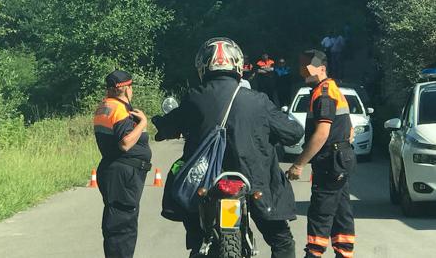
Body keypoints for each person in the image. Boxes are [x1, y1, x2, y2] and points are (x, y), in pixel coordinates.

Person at [153, 38, 304, 258]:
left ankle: (197, 243)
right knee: (281, 241)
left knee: (196, 234)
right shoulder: (258, 100)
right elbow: (294, 133)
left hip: (206, 182)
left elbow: (167, 127)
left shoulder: (194, 97)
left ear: (203, 66)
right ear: (238, 65)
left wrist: (163, 126)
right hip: (255, 181)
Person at [286, 50, 356, 258]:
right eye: (301, 67)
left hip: (331, 162)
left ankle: (314, 254)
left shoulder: (323, 94)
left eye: (307, 67)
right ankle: (344, 252)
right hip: (341, 159)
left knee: (321, 210)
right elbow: (350, 132)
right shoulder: (333, 90)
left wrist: (298, 164)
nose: (302, 71)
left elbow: (322, 133)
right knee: (341, 210)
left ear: (322, 68)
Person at [93, 70, 152, 258]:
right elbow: (125, 143)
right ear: (126, 89)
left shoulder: (105, 106)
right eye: (131, 87)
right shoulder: (119, 110)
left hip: (114, 171)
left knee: (118, 223)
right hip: (123, 176)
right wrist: (143, 123)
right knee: (122, 228)